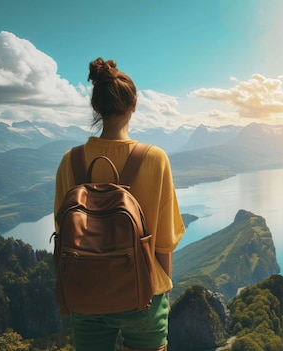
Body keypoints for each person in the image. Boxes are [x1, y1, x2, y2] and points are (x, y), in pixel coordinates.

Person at [54, 57, 185, 351]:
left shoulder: (70, 161)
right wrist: (162, 289)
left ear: (95, 107)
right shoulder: (154, 158)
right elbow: (164, 241)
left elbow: (62, 233)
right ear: (134, 105)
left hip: (85, 294)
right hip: (144, 296)